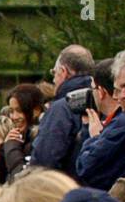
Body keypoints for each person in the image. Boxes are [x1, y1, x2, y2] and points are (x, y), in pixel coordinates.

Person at [77, 51, 125, 190]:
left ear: (100, 91)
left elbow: (86, 167)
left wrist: (94, 137)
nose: (121, 96)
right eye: (118, 89)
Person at [30, 44, 93, 173]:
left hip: (62, 187)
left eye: (54, 72)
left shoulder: (62, 108)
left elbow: (45, 159)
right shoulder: (104, 101)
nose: (53, 79)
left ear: (63, 72)